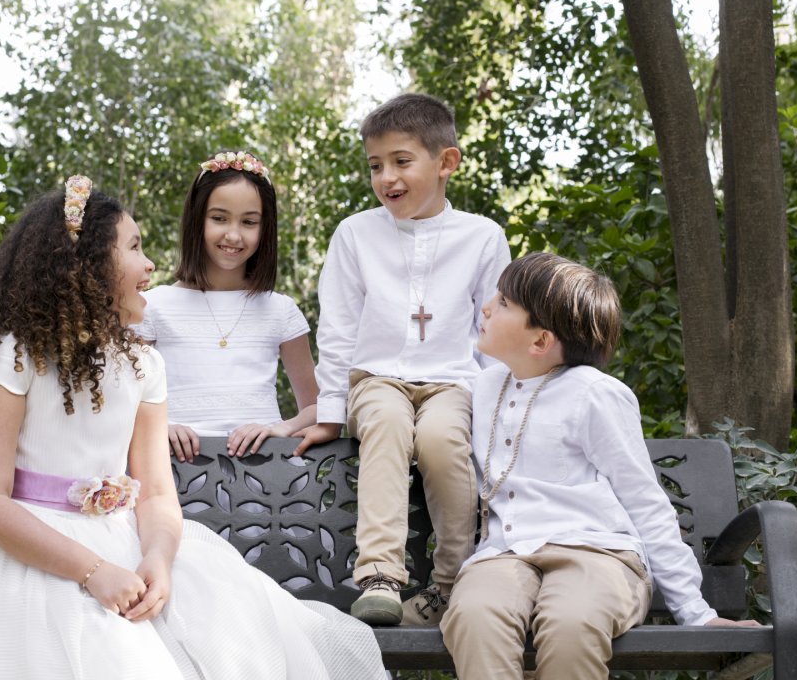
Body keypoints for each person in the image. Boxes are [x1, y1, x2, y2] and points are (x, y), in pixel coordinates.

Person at [0, 177, 385, 680]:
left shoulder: (143, 365)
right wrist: (93, 571)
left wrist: (159, 558)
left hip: (124, 540)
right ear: (85, 265)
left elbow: (154, 493)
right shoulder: (14, 356)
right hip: (29, 554)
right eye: (133, 248)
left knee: (242, 635)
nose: (150, 264)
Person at [441, 251, 760, 679]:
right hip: (504, 555)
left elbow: (644, 501)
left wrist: (695, 611)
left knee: (571, 624)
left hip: (598, 555)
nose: (485, 307)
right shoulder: (482, 387)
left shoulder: (594, 394)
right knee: (475, 617)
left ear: (540, 342)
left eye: (502, 303)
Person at [298, 93, 512, 627]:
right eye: (375, 165)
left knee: (441, 439)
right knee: (388, 425)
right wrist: (331, 410)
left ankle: (454, 582)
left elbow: (496, 332)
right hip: (377, 378)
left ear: (446, 162)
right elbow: (338, 327)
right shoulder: (355, 234)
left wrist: (497, 412)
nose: (386, 177)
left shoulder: (482, 237)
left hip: (453, 383)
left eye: (401, 161)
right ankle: (379, 577)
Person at [134, 151, 318, 461]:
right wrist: (160, 426)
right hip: (175, 469)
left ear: (265, 228)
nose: (233, 235)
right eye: (219, 218)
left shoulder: (281, 310)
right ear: (197, 219)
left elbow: (315, 406)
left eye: (249, 222)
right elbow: (121, 400)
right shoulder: (152, 306)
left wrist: (282, 428)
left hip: (267, 472)